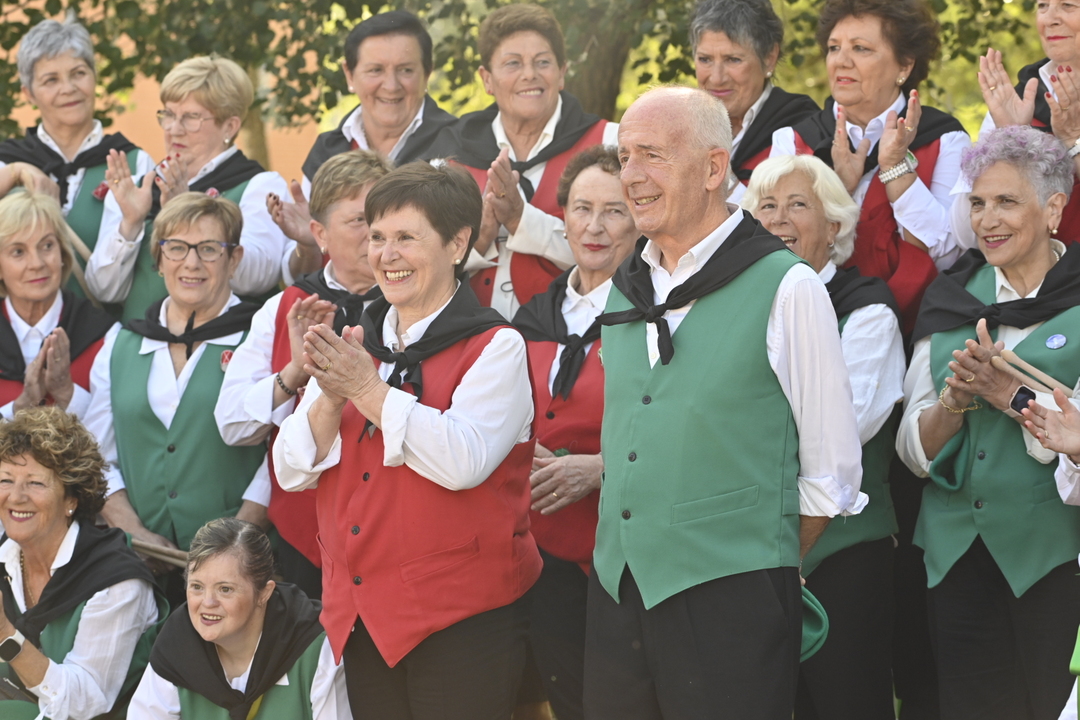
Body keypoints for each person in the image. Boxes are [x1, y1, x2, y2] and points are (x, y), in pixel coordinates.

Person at [585, 85, 864, 719]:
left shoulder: (788, 286)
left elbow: (833, 473)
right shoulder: (624, 289)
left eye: (652, 155)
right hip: (617, 593)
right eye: (625, 157)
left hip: (732, 600)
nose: (632, 175)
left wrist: (754, 570)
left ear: (714, 168)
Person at [274, 162, 541, 719]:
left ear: (457, 243)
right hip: (363, 619)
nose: (386, 255)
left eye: (406, 238)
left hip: (464, 623)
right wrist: (331, 397)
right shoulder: (356, 340)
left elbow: (462, 460)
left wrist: (365, 388)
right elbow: (291, 469)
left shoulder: (497, 346)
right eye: (377, 237)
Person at [895, 124, 1080, 720]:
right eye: (977, 203)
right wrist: (954, 403)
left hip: (1056, 557)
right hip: (955, 557)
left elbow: (1074, 436)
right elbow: (913, 452)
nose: (987, 220)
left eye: (1006, 201)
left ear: (1053, 209)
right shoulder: (950, 298)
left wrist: (1007, 393)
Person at [744, 153, 904, 720]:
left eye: (797, 205)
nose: (778, 219)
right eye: (766, 206)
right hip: (752, 551)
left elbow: (846, 428)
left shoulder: (868, 310)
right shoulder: (740, 309)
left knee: (846, 705)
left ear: (834, 225)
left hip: (845, 555)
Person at [216, 150, 393, 600]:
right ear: (320, 234)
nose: (375, 233)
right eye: (359, 220)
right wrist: (295, 372)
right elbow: (232, 423)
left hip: (392, 532)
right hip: (301, 538)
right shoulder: (284, 306)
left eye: (383, 216)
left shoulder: (420, 303)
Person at [82, 193, 269, 601]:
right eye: (177, 248)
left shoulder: (261, 337)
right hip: (138, 568)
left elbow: (279, 457)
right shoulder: (120, 343)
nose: (191, 263)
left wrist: (237, 542)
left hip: (242, 567)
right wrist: (132, 530)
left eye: (209, 249)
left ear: (234, 259)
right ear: (159, 259)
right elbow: (96, 455)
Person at [511, 145, 637, 720]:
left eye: (614, 211)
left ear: (640, 219)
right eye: (582, 208)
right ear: (562, 217)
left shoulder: (659, 314)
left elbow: (686, 427)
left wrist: (601, 469)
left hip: (627, 554)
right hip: (539, 554)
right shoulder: (532, 316)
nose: (594, 226)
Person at [770, 0, 970, 334]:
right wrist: (838, 192)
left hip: (918, 328)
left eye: (860, 48)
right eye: (834, 48)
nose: (841, 60)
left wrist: (896, 169)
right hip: (807, 323)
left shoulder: (945, 140)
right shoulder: (792, 141)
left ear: (904, 64)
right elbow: (771, 245)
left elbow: (949, 254)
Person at [423, 3, 619, 319]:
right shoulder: (448, 154)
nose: (529, 74)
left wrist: (521, 220)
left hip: (575, 332)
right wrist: (478, 240)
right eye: (513, 63)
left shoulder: (612, 142)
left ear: (562, 73)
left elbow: (628, 249)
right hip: (465, 334)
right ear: (487, 79)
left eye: (542, 62)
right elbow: (421, 258)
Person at [88, 55, 290, 321]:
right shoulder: (137, 188)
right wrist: (131, 224)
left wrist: (188, 214)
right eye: (169, 115)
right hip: (143, 342)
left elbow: (258, 278)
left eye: (191, 117)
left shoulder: (258, 185)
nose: (174, 129)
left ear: (229, 126)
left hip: (224, 343)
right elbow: (104, 291)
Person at [0, 406, 165, 720]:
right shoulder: (6, 556)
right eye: (6, 480)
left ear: (71, 500)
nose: (16, 496)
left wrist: (6, 635)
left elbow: (84, 703)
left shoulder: (116, 581)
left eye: (35, 483)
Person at [277, 10, 457, 282]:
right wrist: (307, 243)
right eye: (375, 70)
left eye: (406, 70)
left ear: (427, 72)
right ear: (349, 75)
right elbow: (301, 276)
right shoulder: (327, 151)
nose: (391, 85)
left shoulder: (459, 145)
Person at [128, 517, 348, 719]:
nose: (207, 602)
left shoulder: (316, 650)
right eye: (197, 587)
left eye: (225, 589)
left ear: (264, 593)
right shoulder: (176, 645)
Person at [0, 18, 153, 299]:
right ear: (28, 93)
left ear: (95, 77)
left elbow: (109, 292)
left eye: (79, 73)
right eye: (51, 80)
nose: (68, 88)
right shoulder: (6, 161)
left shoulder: (134, 162)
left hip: (101, 325)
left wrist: (130, 225)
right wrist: (15, 171)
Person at [967, 0, 1080, 247]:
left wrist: (1073, 140)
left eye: (1068, 5)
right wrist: (1014, 141)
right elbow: (966, 235)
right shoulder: (1016, 100)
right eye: (1043, 5)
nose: (1049, 19)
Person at [690, 0, 819, 205]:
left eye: (733, 59)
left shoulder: (800, 130)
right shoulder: (686, 126)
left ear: (769, 58)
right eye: (705, 59)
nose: (716, 78)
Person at [0, 192, 114, 421]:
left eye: (47, 245)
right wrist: (19, 408)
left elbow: (112, 439)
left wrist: (66, 392)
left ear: (62, 253)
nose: (37, 263)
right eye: (18, 251)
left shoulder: (106, 338)